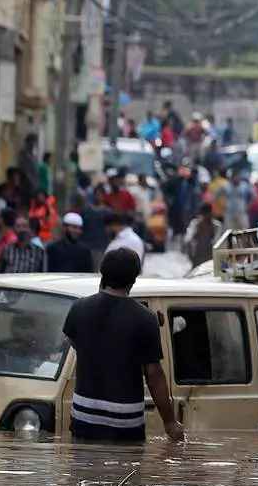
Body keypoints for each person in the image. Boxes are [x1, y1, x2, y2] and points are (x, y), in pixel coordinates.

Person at [61, 248, 184, 442]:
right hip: (126, 423)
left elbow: (74, 344)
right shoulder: (145, 319)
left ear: (103, 273)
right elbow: (153, 375)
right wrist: (170, 422)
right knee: (124, 472)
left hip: (84, 419)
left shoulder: (79, 308)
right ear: (133, 280)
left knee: (83, 471)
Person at [164, 160, 201, 238]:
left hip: (189, 209)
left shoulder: (193, 183)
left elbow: (195, 196)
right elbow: (167, 189)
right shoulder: (176, 181)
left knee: (187, 228)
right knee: (178, 227)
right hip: (177, 208)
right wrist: (170, 200)